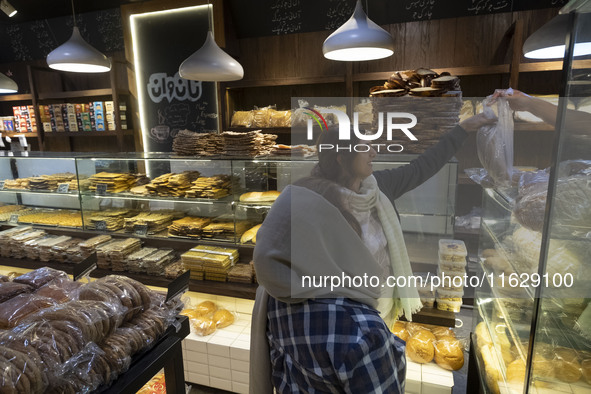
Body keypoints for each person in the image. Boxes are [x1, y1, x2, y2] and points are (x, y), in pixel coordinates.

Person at [249, 102, 495, 393]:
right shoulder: (313, 201)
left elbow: (424, 165)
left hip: (377, 310)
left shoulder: (379, 187)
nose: (374, 152)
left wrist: (464, 129)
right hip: (333, 313)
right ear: (342, 157)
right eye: (365, 147)